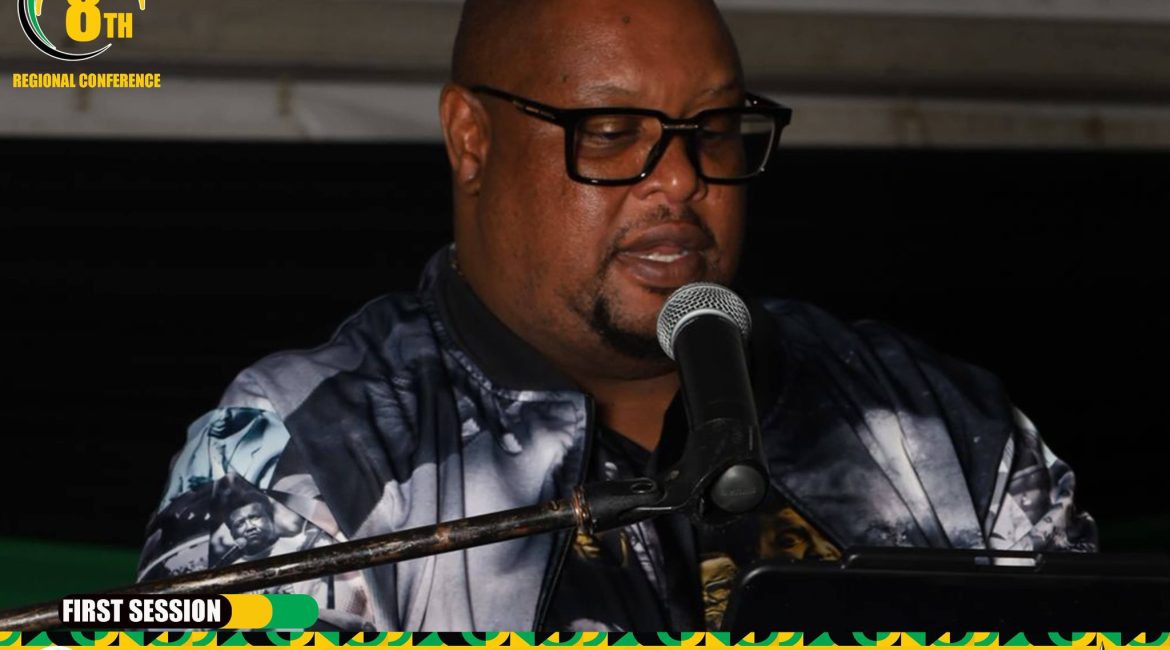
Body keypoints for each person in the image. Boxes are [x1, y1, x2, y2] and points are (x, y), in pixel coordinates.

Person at [138, 0, 1096, 632]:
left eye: (711, 129)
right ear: (472, 141)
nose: (680, 179)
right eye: (609, 132)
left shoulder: (935, 426)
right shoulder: (302, 455)